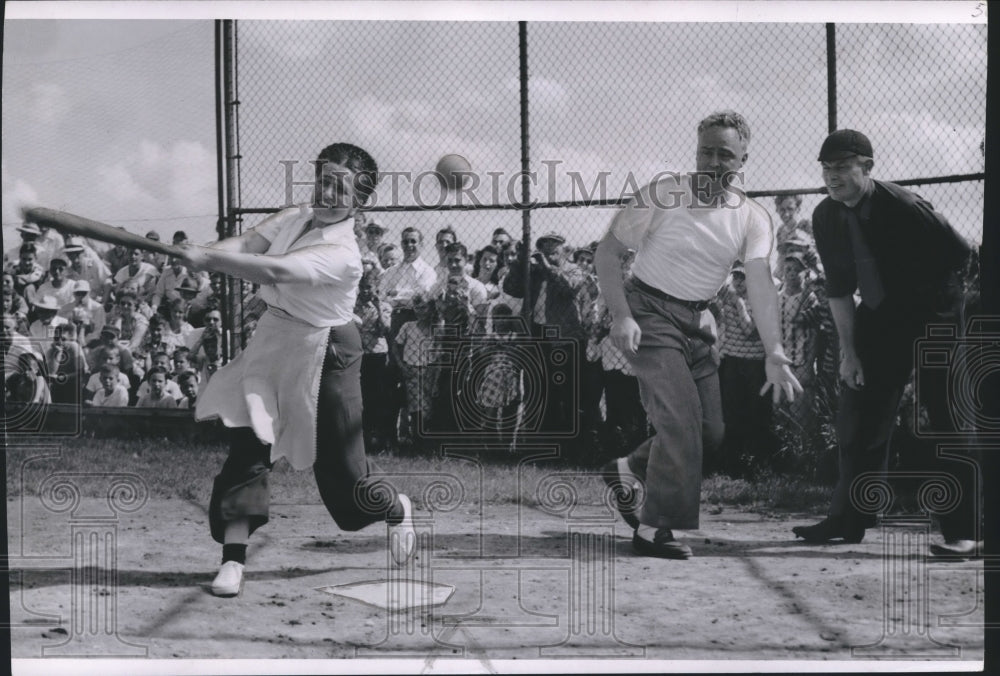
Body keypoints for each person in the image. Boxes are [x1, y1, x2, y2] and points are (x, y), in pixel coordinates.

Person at [175, 142, 415, 597]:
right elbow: (249, 245)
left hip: (329, 351)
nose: (326, 193)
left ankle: (396, 508)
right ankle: (232, 561)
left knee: (347, 487)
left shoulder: (342, 252)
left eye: (339, 187)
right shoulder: (295, 214)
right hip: (274, 339)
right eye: (323, 179)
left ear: (359, 201)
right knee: (249, 443)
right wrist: (207, 251)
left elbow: (274, 270)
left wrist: (206, 258)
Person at [594, 111, 801, 560]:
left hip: (698, 322)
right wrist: (621, 315)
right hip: (648, 311)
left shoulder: (752, 217)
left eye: (724, 154)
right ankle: (653, 529)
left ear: (743, 159)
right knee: (681, 422)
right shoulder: (662, 193)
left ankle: (628, 468)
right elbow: (608, 254)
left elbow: (761, 284)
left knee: (710, 431)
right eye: (705, 151)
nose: (712, 161)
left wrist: (775, 350)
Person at [791, 129, 977, 557]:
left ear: (867, 167)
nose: (832, 176)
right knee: (860, 414)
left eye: (841, 167)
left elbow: (963, 256)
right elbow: (839, 291)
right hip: (883, 315)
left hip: (935, 314)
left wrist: (952, 324)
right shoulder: (827, 216)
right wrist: (850, 354)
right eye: (826, 169)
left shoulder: (906, 207)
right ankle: (848, 519)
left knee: (942, 413)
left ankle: (967, 532)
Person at [713, 263, 776, 477]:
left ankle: (759, 463)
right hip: (732, 360)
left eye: (743, 278)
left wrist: (739, 305)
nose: (738, 282)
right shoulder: (727, 296)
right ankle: (732, 463)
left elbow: (750, 330)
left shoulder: (759, 300)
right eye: (736, 277)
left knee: (757, 412)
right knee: (731, 412)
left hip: (754, 363)